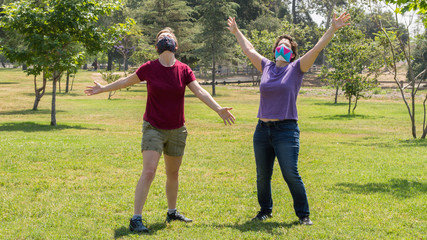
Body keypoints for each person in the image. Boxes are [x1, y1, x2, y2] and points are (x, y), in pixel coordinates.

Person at [85, 27, 235, 233]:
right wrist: (103, 88)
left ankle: (172, 212)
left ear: (176, 45)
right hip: (153, 127)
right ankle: (135, 218)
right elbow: (126, 81)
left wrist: (218, 109)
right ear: (156, 46)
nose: (166, 38)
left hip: (177, 129)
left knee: (173, 173)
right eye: (161, 37)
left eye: (169, 37)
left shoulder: (183, 69)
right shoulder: (149, 68)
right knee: (149, 170)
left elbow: (199, 91)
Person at [227, 13, 350, 225]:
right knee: (262, 176)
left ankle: (304, 215)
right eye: (279, 45)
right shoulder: (266, 66)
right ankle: (265, 210)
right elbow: (249, 50)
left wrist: (332, 29)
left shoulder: (297, 69)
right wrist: (237, 32)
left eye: (286, 46)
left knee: (290, 173)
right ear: (275, 50)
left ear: (292, 54)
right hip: (262, 130)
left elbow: (317, 48)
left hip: (286, 130)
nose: (281, 47)